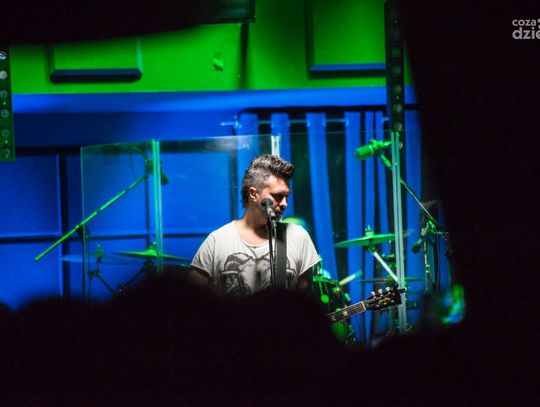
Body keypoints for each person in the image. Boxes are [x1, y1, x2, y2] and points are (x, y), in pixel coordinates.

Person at [190, 155, 320, 297]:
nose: (284, 204)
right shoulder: (218, 241)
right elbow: (192, 299)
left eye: (286, 196)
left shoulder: (298, 237)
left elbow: (306, 299)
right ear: (253, 194)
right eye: (278, 196)